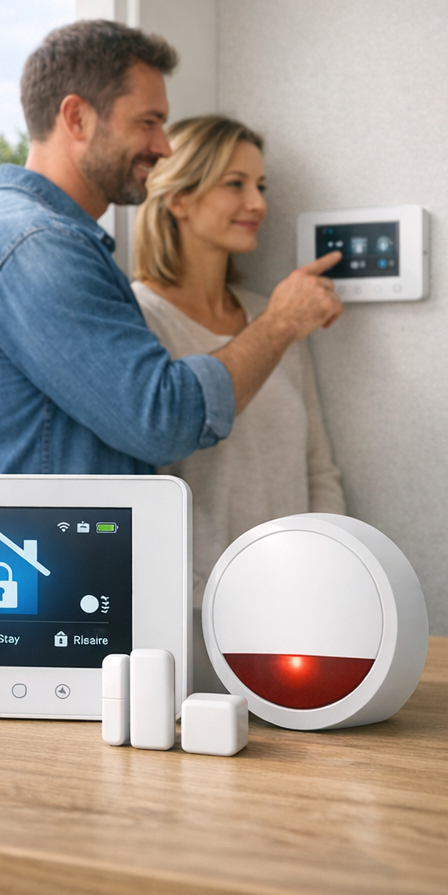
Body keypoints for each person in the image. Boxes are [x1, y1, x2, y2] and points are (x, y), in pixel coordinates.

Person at [0, 20, 342, 477]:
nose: (163, 147)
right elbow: (162, 421)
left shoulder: (44, 240)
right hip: (43, 549)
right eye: (148, 122)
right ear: (77, 118)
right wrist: (280, 323)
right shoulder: (35, 246)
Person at [131, 116, 346, 604]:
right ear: (177, 197)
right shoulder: (139, 320)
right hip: (193, 614)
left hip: (294, 604)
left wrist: (325, 573)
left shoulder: (275, 314)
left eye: (260, 185)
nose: (259, 203)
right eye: (235, 184)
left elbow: (318, 470)